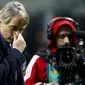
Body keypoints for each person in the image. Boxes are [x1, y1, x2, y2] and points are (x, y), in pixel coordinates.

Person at [24, 16, 78, 85]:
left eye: (70, 37)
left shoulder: (79, 61)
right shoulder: (40, 60)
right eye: (61, 36)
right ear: (53, 37)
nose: (67, 41)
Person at [0, 1, 29, 85]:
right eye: (13, 28)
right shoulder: (16, 50)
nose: (17, 34)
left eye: (21, 29)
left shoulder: (12, 46)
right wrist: (16, 53)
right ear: (0, 23)